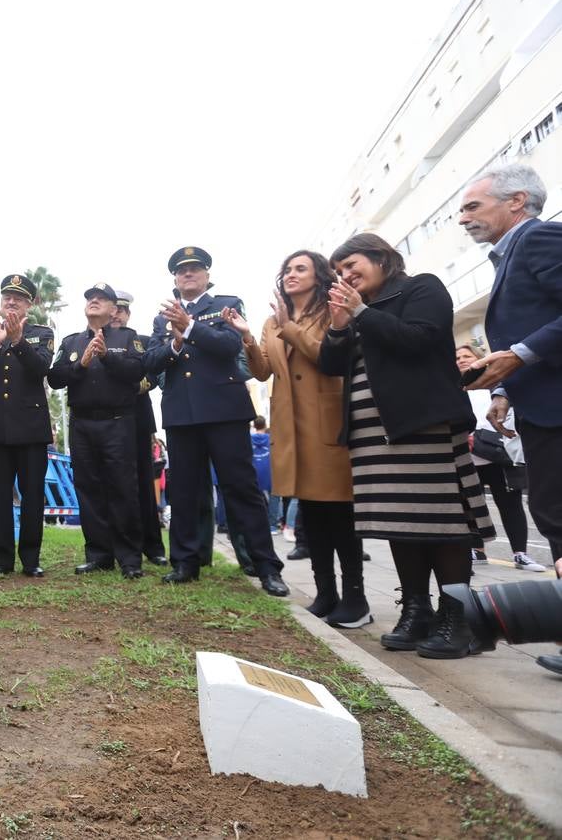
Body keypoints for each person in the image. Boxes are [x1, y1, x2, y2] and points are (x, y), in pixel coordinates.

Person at [319, 233, 493, 659]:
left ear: (381, 257)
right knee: (402, 522)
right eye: (339, 272)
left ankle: (459, 617)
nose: (346, 275)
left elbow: (420, 339)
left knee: (442, 522)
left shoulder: (422, 287)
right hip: (372, 435)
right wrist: (340, 325)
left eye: (351, 264)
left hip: (423, 425)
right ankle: (416, 610)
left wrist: (359, 312)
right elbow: (329, 365)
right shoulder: (356, 313)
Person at [227, 250, 370, 628]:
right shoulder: (272, 320)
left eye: (300, 268)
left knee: (339, 512)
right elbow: (261, 372)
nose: (291, 274)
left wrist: (290, 326)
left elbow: (327, 357)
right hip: (290, 426)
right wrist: (246, 338)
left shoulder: (332, 308)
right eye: (287, 269)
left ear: (318, 275)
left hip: (327, 421)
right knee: (311, 513)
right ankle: (325, 593)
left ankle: (356, 599)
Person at [142, 247, 288, 595]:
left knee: (241, 488)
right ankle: (186, 562)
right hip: (182, 414)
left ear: (207, 274)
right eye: (181, 271)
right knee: (186, 491)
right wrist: (175, 345)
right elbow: (151, 361)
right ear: (174, 279)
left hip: (224, 410)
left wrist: (189, 327)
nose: (188, 274)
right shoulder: (162, 317)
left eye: (195, 269)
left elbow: (228, 346)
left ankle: (266, 566)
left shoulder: (226, 303)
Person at [458, 163, 562, 590]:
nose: (463, 219)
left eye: (472, 207)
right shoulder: (509, 255)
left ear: (516, 201)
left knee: (555, 511)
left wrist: (518, 356)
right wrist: (502, 389)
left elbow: (525, 343)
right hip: (540, 408)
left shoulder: (539, 237)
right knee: (551, 510)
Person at [49, 282, 146, 578]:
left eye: (101, 298)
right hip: (82, 424)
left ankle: (129, 559)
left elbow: (137, 371)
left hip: (117, 422)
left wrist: (107, 356)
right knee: (88, 489)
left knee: (122, 489)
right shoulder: (72, 341)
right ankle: (98, 555)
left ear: (113, 309)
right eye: (90, 297)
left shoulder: (128, 338)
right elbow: (55, 378)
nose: (93, 301)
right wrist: (82, 365)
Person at [0, 274, 56, 577]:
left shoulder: (42, 332)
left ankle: (30, 559)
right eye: (7, 296)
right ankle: (1, 560)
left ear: (29, 303)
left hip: (30, 428)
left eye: (18, 298)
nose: (11, 301)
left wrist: (18, 341)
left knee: (32, 496)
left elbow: (42, 368)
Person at [456, 345, 540, 572]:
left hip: (500, 455)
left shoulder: (496, 385)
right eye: (457, 357)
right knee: (471, 506)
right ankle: (478, 550)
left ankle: (520, 554)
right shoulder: (454, 387)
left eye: (467, 356)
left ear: (479, 359)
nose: (462, 360)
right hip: (467, 458)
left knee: (510, 505)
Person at [109, 290, 169, 566]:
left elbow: (152, 377)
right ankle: (110, 545)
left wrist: (127, 388)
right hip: (104, 424)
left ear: (128, 314)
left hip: (137, 421)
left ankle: (152, 546)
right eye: (114, 309)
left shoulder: (142, 342)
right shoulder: (95, 341)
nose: (117, 315)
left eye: (122, 310)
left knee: (143, 485)